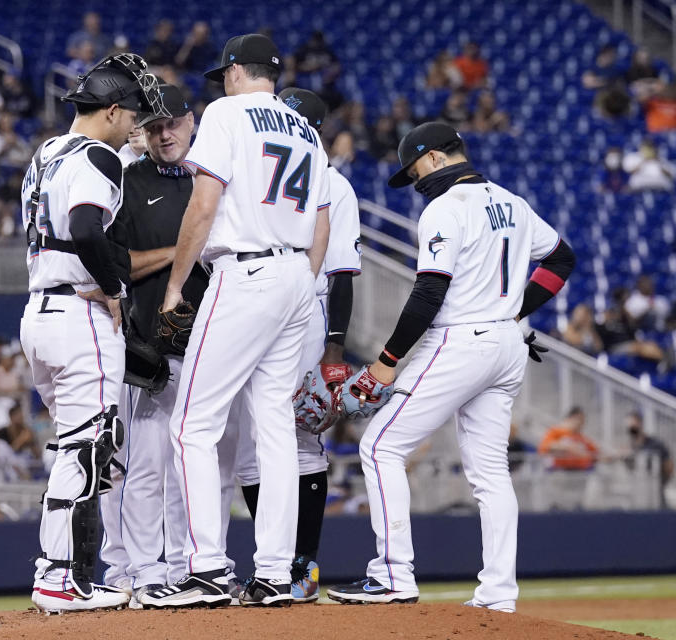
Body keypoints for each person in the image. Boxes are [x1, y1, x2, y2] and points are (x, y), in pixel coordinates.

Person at [326, 122, 575, 613]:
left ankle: (393, 576)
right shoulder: (513, 202)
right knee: (490, 473)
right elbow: (561, 259)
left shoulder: (445, 208)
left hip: (462, 340)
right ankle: (499, 595)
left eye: (415, 169)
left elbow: (428, 293)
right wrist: (517, 312)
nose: (415, 180)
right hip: (506, 344)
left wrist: (386, 362)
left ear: (437, 158)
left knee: (379, 446)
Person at [139, 33, 331, 609]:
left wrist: (175, 285)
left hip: (245, 272)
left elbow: (205, 203)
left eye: (223, 73)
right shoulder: (308, 130)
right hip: (298, 272)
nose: (221, 82)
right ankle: (275, 572)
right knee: (274, 430)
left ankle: (207, 569)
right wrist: (299, 286)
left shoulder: (226, 112)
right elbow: (320, 222)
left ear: (234, 73)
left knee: (193, 424)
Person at [19, 53, 163, 613]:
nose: (136, 125)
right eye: (131, 114)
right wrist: (115, 287)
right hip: (78, 315)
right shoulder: (98, 155)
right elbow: (84, 227)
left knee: (78, 450)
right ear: (110, 110)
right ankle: (58, 578)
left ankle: (67, 574)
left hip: (39, 312)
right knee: (86, 450)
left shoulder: (45, 153)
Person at [230, 88, 361, 604]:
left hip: (307, 311)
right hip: (260, 302)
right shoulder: (259, 170)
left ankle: (300, 565)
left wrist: (334, 350)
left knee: (298, 438)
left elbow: (344, 272)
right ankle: (275, 563)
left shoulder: (333, 182)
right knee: (248, 446)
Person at [96, 82, 203, 605]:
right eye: (154, 125)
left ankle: (188, 565)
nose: (165, 134)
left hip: (212, 344)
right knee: (144, 465)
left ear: (191, 122)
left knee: (194, 468)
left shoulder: (212, 177)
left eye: (173, 123)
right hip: (153, 346)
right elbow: (118, 264)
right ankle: (142, 570)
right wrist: (184, 251)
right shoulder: (128, 181)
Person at [625, 411, 673, 507]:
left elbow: (669, 465)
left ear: (640, 423)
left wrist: (661, 480)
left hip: (654, 488)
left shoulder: (655, 444)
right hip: (639, 490)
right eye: (629, 426)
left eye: (633, 425)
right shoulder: (630, 447)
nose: (631, 428)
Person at [538, 407, 599, 471]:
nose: (581, 424)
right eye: (579, 419)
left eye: (583, 421)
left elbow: (595, 453)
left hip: (580, 471)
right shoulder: (556, 432)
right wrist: (567, 447)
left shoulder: (581, 437)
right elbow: (544, 447)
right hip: (560, 471)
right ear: (570, 419)